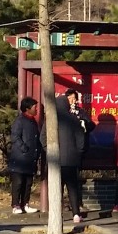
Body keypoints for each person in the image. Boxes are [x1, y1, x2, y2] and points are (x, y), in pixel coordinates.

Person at [43, 92, 88, 224]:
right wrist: (78, 153)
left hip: (55, 161)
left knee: (56, 189)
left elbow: (42, 138)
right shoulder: (74, 119)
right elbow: (81, 140)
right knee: (72, 188)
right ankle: (76, 214)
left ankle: (57, 214)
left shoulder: (51, 120)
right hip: (71, 161)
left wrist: (49, 150)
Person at [7, 98, 42, 215]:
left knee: (28, 183)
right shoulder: (20, 121)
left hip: (30, 158)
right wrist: (24, 148)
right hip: (20, 158)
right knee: (18, 183)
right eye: (34, 107)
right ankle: (15, 205)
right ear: (27, 108)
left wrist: (37, 152)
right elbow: (15, 137)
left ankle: (25, 204)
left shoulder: (33, 121)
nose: (36, 109)